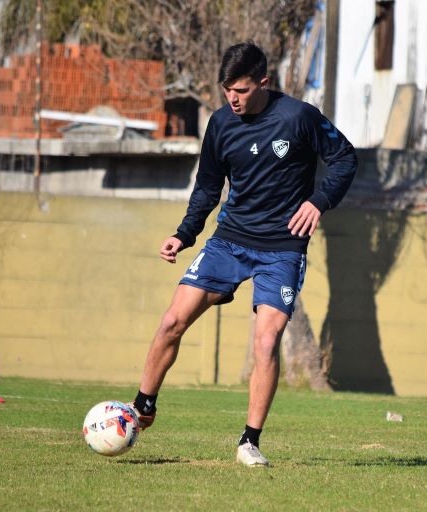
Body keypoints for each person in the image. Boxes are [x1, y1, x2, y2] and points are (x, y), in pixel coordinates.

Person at [129, 42, 357, 466]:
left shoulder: (299, 117)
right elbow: (208, 187)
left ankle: (249, 442)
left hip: (282, 248)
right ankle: (142, 406)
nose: (233, 98)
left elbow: (344, 158)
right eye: (227, 90)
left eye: (242, 90)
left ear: (264, 84)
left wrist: (319, 201)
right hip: (229, 240)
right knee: (171, 321)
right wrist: (185, 234)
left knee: (266, 340)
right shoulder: (220, 124)